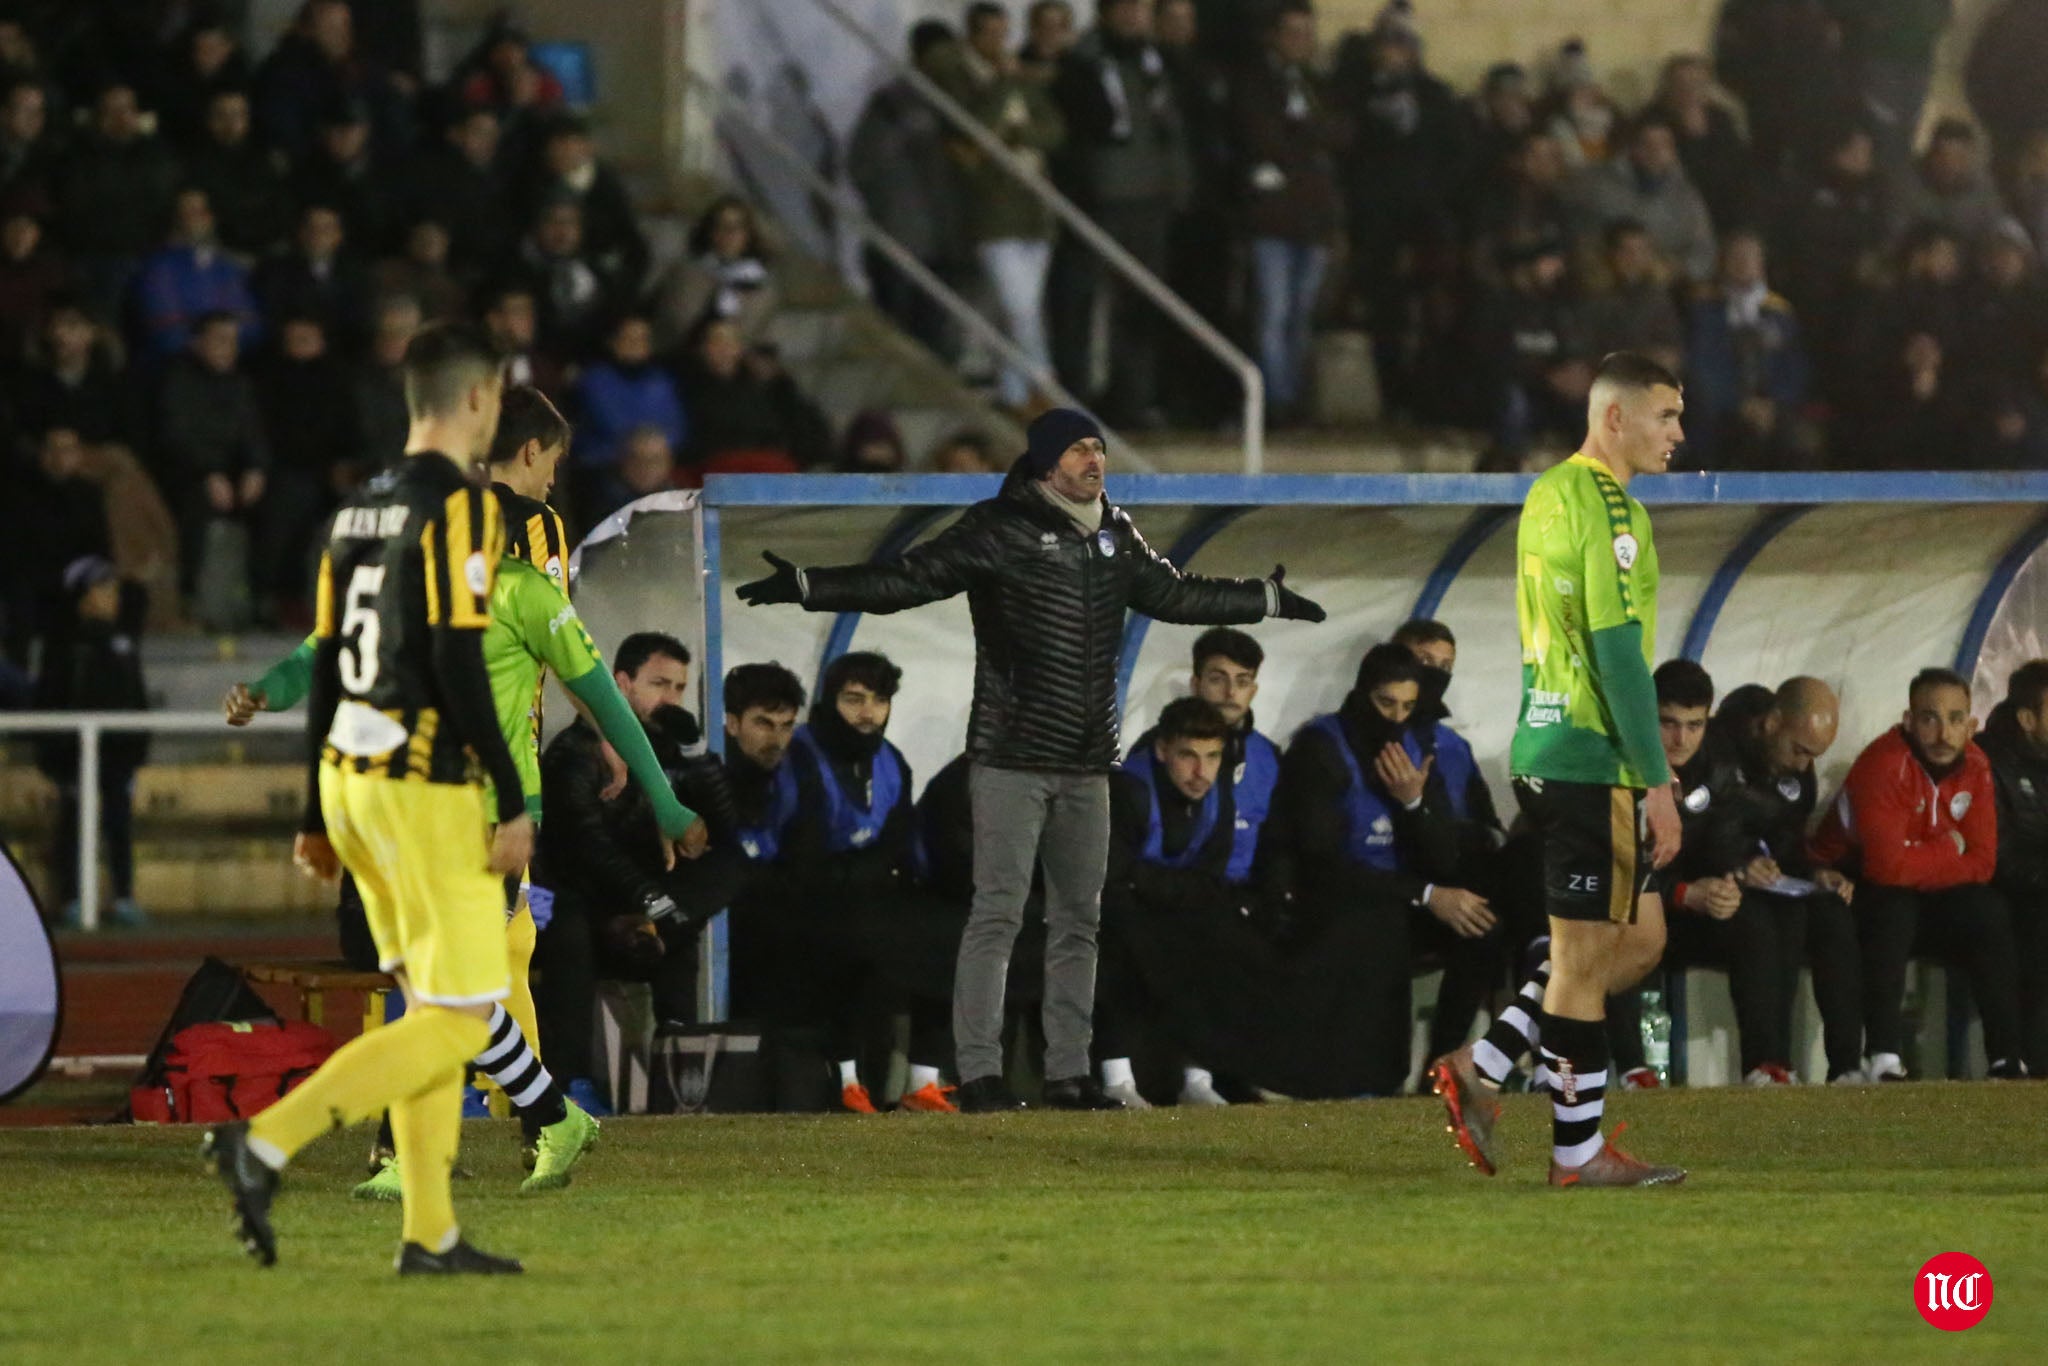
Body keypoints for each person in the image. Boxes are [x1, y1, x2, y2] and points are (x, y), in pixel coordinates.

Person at [738, 408, 1324, 1110]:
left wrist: (1263, 597)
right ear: (1047, 461)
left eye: (1100, 449)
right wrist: (810, 586)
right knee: (999, 915)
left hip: (1088, 761)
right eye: (1080, 449)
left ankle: (1068, 1075)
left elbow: (1175, 593)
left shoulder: (1116, 530)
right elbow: (906, 580)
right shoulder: (999, 528)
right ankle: (979, 1073)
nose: (1095, 461)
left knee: (1081, 918)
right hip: (1011, 756)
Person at [203, 321, 528, 1274]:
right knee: (465, 1020)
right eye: (498, 398)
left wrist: (313, 813)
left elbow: (328, 666)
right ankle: (262, 1143)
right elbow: (457, 657)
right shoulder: (462, 507)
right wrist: (510, 794)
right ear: (476, 399)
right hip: (423, 787)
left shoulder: (354, 512)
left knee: (425, 1005)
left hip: (352, 780)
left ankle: (430, 1233)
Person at [1430, 351, 1687, 1187]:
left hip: (1546, 739)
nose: (1678, 433)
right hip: (1591, 753)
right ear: (1614, 417)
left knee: (1639, 940)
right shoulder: (1615, 510)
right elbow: (1616, 652)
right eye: (1665, 416)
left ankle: (1489, 1064)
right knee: (1581, 964)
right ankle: (1577, 1153)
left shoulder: (1548, 490)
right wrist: (1655, 780)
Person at [728, 652, 956, 1113]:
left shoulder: (892, 761)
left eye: (878, 700)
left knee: (950, 932)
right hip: (798, 892)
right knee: (856, 935)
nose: (867, 712)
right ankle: (848, 1080)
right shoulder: (802, 753)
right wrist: (862, 872)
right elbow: (801, 847)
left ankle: (923, 1081)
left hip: (863, 889)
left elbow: (897, 839)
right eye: (854, 699)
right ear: (829, 702)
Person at [1809, 667, 2026, 1080]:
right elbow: (1884, 868)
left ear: (1972, 724)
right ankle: (1883, 1055)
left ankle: (2005, 1058)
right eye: (1930, 718)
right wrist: (1949, 847)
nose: (1944, 732)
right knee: (1894, 908)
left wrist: (1920, 857)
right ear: (1908, 721)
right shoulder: (1884, 763)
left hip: (1924, 890)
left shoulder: (1977, 765)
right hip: (1853, 882)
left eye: (1956, 719)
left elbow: (1982, 862)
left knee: (1989, 909)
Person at [536, 634, 732, 1090]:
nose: (671, 699)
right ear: (621, 685)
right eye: (659, 683)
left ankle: (677, 1070)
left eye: (680, 688)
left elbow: (712, 834)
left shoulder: (664, 754)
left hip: (615, 904)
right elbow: (583, 846)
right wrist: (646, 896)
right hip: (548, 897)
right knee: (569, 930)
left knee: (685, 922)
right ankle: (567, 1084)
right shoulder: (573, 755)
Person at [1048, 0, 1191, 426]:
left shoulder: (1157, 63)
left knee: (1141, 307)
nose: (1134, 17)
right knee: (1085, 302)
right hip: (1099, 200)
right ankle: (1077, 398)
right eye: (1125, 8)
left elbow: (1173, 129)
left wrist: (1179, 187)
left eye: (1141, 9)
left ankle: (1134, 400)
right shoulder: (1081, 63)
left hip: (1150, 200)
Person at [1718, 675, 1862, 1084]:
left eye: (1813, 756)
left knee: (1833, 912)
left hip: (1764, 886)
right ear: (1772, 722)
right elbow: (1700, 833)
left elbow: (1787, 846)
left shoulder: (1800, 775)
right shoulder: (1717, 751)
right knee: (1764, 920)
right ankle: (1766, 1063)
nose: (1803, 765)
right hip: (1712, 890)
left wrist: (1816, 873)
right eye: (1799, 750)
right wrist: (1740, 864)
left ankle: (1848, 1067)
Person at [935, 1, 1066, 410]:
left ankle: (1013, 394)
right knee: (1019, 308)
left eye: (1003, 34)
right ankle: (1045, 387)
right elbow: (975, 135)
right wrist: (1004, 89)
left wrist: (1018, 130)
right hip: (993, 214)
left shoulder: (1021, 81)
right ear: (972, 37)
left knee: (1022, 312)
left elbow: (1053, 131)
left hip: (1034, 211)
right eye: (990, 34)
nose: (1000, 43)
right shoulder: (964, 80)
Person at [1233, 2, 1341, 426]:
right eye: (1292, 32)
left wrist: (1301, 138)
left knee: (1301, 314)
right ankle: (1275, 402)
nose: (1300, 41)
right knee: (1273, 312)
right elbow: (1261, 137)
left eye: (1306, 33)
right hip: (1272, 221)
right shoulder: (1255, 83)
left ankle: (1292, 396)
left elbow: (1340, 132)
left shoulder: (1319, 84)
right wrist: (1306, 141)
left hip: (1313, 220)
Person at [34, 557, 148, 928]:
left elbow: (136, 701)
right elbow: (50, 704)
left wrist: (135, 756)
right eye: (103, 589)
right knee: (73, 828)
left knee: (118, 826)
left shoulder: (123, 642)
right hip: (75, 758)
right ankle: (72, 899)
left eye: (112, 589)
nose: (112, 598)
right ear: (83, 597)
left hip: (116, 757)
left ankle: (124, 896)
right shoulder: (64, 646)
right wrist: (55, 762)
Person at [848, 21, 964, 359]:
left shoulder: (958, 101)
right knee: (899, 336)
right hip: (903, 238)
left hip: (945, 239)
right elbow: (863, 164)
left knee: (939, 340)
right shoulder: (894, 104)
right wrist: (893, 213)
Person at [1683, 230, 1810, 470]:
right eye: (1736, 257)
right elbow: (1702, 367)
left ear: (1761, 264)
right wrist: (1740, 404)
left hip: (1773, 408)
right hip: (1723, 410)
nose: (1743, 263)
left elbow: (1795, 368)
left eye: (1749, 257)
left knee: (1794, 441)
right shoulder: (1706, 311)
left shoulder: (1780, 313)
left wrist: (1773, 404)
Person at [1979, 659, 2048, 1073]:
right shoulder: (1988, 761)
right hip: (2012, 896)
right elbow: (1998, 857)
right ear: (2027, 718)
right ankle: (2035, 1068)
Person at [1568, 115, 1716, 284]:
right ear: (1633, 148)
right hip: (1607, 282)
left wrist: (1677, 268)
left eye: (1664, 144)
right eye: (1648, 144)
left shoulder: (1686, 195)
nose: (1657, 151)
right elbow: (1581, 237)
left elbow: (1704, 249)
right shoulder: (1598, 185)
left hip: (1668, 286)